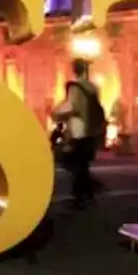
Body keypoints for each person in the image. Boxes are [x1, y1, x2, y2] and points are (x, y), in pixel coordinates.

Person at [52, 59, 104, 208]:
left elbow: (71, 106)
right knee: (82, 164)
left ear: (74, 69)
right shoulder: (93, 87)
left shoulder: (75, 88)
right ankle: (85, 193)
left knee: (75, 164)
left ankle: (83, 193)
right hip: (91, 130)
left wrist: (56, 113)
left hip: (78, 130)